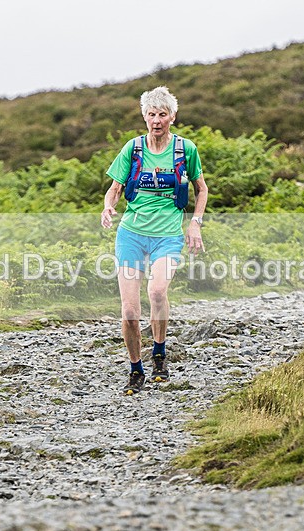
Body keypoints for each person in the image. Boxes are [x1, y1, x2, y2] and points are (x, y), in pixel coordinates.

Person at [101, 86, 209, 395]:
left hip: (167, 235)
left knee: (158, 291)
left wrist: (195, 224)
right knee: (130, 311)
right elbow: (115, 188)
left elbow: (201, 188)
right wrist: (108, 205)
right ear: (144, 116)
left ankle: (159, 352)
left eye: (163, 114)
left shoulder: (184, 149)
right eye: (151, 114)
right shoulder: (133, 149)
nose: (157, 120)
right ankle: (136, 369)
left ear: (173, 117)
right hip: (131, 235)